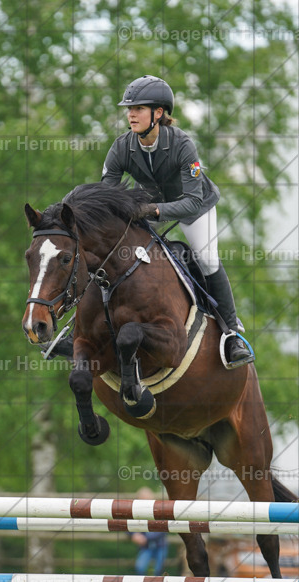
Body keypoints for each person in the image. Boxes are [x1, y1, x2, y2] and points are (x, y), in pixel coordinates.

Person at [100, 75, 255, 368]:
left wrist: (153, 210)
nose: (130, 114)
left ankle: (232, 333)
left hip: (194, 207)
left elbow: (193, 201)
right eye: (129, 109)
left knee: (207, 259)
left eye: (139, 108)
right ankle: (88, 324)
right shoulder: (121, 147)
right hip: (149, 204)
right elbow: (106, 195)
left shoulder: (182, 144)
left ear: (158, 113)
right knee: (111, 250)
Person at [129, 488, 167, 575]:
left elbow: (162, 529)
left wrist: (146, 538)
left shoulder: (159, 510)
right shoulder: (136, 512)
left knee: (158, 570)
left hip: (159, 545)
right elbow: (127, 524)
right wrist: (133, 535)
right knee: (140, 567)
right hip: (145, 546)